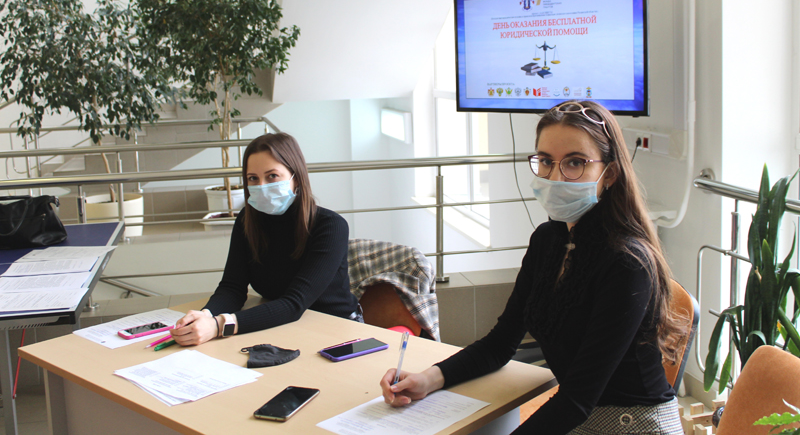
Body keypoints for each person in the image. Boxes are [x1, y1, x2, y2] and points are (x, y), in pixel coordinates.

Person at [380, 101, 686, 435]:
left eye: (575, 162)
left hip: (635, 425)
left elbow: (577, 399)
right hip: (578, 417)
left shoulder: (627, 262)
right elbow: (500, 343)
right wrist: (428, 378)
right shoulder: (548, 240)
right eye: (545, 161)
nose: (556, 177)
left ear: (609, 174)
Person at [171, 132, 359, 345]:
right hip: (279, 328)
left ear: (296, 177)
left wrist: (218, 325)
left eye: (272, 176)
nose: (261, 186)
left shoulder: (330, 226)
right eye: (253, 178)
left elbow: (294, 303)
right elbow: (232, 288)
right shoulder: (247, 220)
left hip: (335, 332)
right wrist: (205, 316)